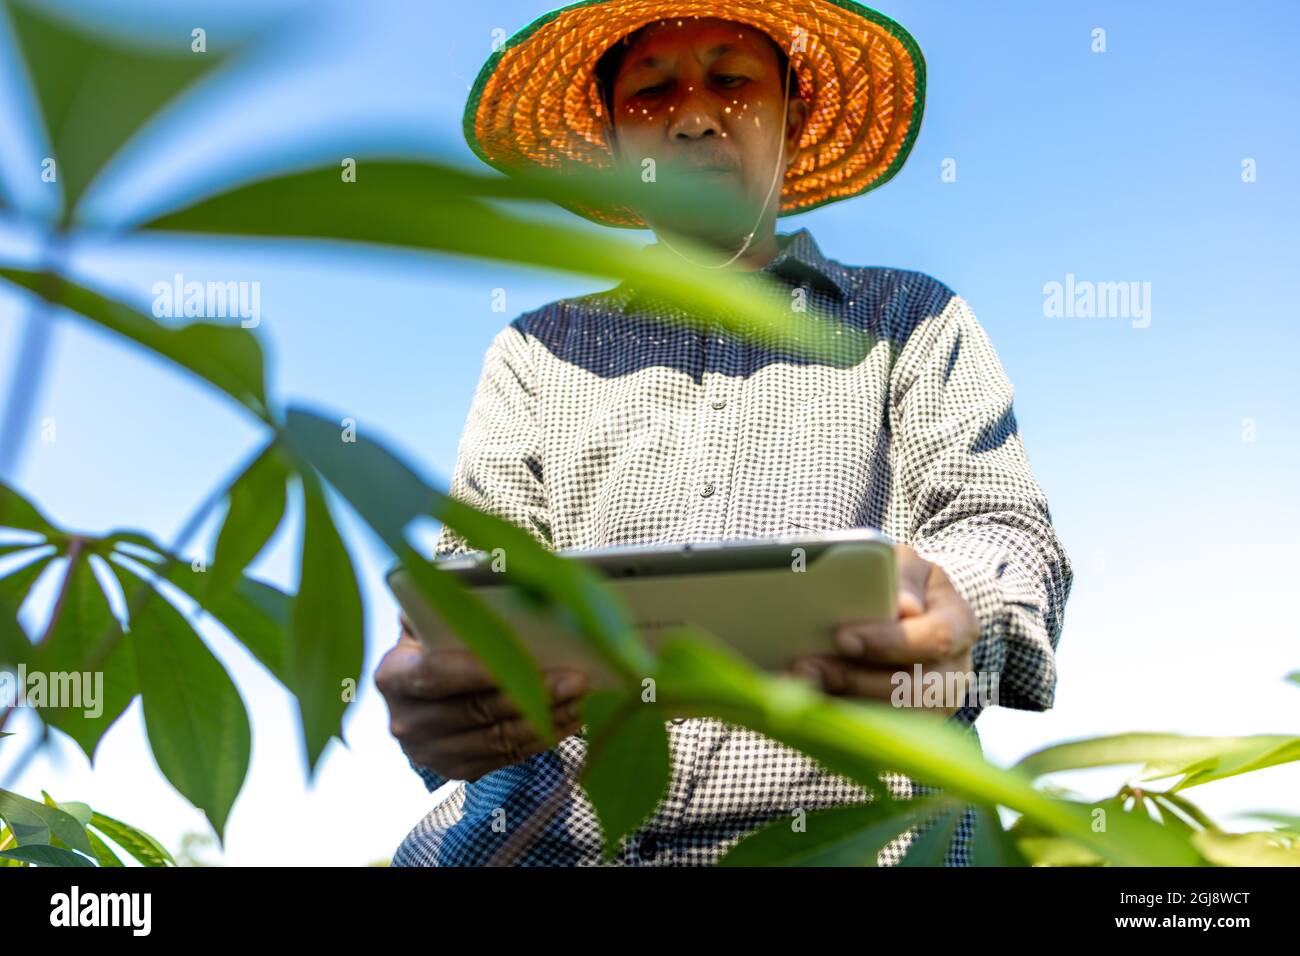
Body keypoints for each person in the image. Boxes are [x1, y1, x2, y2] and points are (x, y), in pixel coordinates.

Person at [377, 2, 1073, 866]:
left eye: (733, 79)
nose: (695, 114)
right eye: (652, 90)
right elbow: (474, 577)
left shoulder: (908, 318)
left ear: (796, 113)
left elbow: (1003, 529)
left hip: (860, 834)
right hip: (550, 838)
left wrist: (958, 613)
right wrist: (440, 672)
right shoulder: (537, 352)